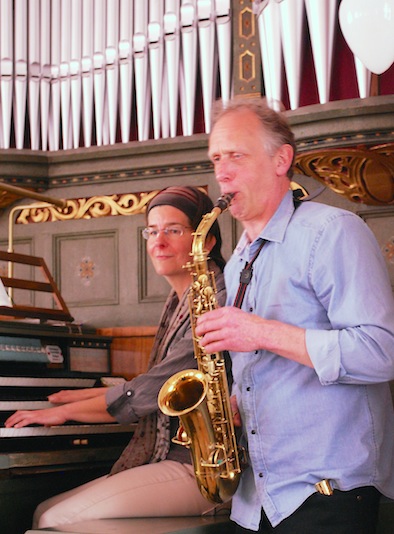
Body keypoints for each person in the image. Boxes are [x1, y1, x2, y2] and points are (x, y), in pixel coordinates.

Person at [195, 97, 394, 534]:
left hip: (329, 493)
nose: (222, 173)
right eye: (216, 159)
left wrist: (262, 332)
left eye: (236, 156)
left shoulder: (332, 232)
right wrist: (235, 402)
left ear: (281, 158)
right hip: (259, 498)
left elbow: (381, 353)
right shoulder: (238, 260)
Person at [5, 186, 228, 529]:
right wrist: (80, 396)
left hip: (200, 465)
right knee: (42, 510)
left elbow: (147, 393)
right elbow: (146, 385)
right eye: (152, 231)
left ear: (206, 242)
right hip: (174, 457)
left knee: (54, 520)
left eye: (173, 230)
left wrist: (63, 412)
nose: (159, 241)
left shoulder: (212, 301)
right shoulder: (179, 299)